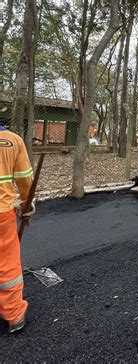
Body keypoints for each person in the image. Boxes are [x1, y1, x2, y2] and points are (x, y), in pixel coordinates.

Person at [0, 120, 34, 333]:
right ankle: (14, 315)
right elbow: (25, 179)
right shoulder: (12, 140)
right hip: (2, 213)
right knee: (7, 263)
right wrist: (27, 203)